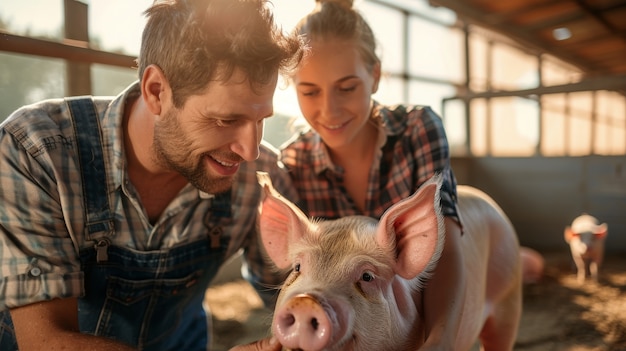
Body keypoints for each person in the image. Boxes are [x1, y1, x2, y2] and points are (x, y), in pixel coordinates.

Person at [0, 0, 303, 350]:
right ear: (156, 91)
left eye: (261, 119)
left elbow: (291, 292)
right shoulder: (37, 152)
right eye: (225, 120)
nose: (250, 150)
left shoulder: (260, 179)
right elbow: (43, 341)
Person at [280, 0, 466, 349]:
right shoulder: (293, 162)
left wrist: (442, 340)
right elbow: (303, 275)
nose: (329, 110)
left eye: (347, 87)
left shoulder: (418, 129)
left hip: (419, 322)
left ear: (375, 76)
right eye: (309, 91)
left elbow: (447, 250)